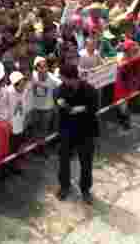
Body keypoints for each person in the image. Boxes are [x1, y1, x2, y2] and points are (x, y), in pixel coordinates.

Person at [54, 63, 100, 204]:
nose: (62, 81)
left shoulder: (89, 90)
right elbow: (59, 101)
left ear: (71, 78)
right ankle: (64, 186)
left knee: (86, 162)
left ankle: (85, 190)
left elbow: (94, 107)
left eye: (63, 78)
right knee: (64, 160)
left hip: (86, 132)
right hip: (67, 131)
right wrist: (67, 107)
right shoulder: (60, 90)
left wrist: (81, 109)